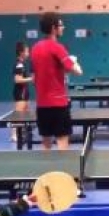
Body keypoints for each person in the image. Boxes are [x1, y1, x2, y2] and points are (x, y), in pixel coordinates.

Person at [30, 12, 83, 150]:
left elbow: (36, 76)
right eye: (61, 25)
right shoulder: (58, 47)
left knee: (46, 142)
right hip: (58, 103)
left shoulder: (35, 48)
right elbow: (77, 71)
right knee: (62, 140)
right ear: (54, 28)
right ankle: (62, 170)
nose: (63, 27)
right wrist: (74, 61)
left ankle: (47, 171)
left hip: (42, 104)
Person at [11, 41, 33, 142]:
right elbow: (17, 79)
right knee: (18, 115)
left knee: (26, 113)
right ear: (21, 52)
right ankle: (14, 135)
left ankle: (24, 133)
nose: (28, 53)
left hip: (25, 92)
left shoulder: (22, 64)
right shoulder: (19, 65)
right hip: (20, 93)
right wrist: (32, 79)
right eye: (27, 51)